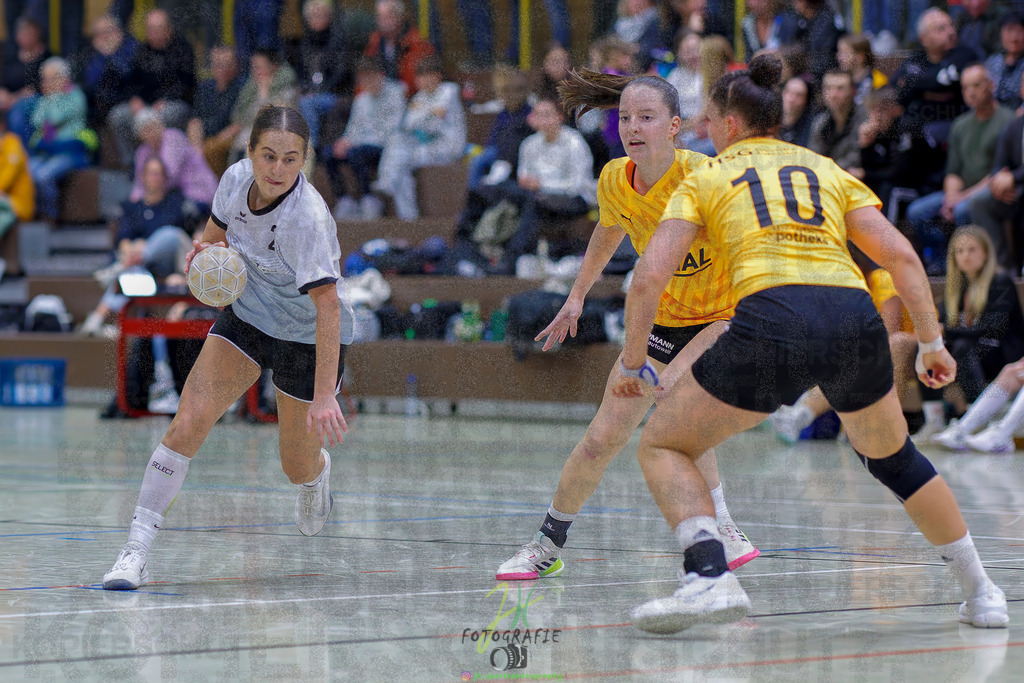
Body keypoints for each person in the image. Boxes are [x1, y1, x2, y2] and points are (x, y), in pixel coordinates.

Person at [611, 53, 1007, 634]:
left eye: (707, 120)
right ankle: (983, 592)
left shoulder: (706, 176)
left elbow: (648, 277)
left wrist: (632, 360)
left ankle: (708, 577)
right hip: (854, 316)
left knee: (664, 444)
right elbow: (899, 255)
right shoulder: (823, 166)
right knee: (895, 461)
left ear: (728, 124)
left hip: (773, 315)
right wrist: (930, 343)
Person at [494, 69, 758, 582]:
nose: (633, 127)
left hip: (725, 320)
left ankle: (723, 527)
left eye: (647, 117)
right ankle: (546, 545)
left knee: (680, 420)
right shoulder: (616, 176)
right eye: (626, 118)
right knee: (600, 439)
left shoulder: (705, 177)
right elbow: (608, 231)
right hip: (662, 320)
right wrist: (575, 296)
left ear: (675, 126)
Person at [102, 105, 356, 590]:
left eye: (290, 159)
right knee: (187, 422)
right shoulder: (235, 180)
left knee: (294, 464)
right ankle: (135, 551)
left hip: (306, 335)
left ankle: (316, 473)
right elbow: (213, 241)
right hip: (248, 315)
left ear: (304, 161)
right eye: (268, 156)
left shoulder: (308, 220)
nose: (277, 169)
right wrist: (205, 259)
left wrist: (326, 396)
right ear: (250, 153)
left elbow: (329, 309)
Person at [922, 226, 1024, 439]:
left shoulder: (1000, 281)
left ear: (985, 253)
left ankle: (974, 416)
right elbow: (942, 323)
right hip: (970, 352)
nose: (965, 256)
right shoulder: (956, 288)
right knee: (926, 347)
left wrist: (947, 331)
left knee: (961, 346)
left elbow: (992, 328)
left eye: (971, 250)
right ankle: (934, 419)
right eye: (959, 251)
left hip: (1001, 353)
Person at [371, 55, 465, 221]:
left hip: (448, 147)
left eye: (428, 75)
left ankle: (388, 183)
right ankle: (407, 215)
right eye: (420, 76)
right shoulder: (419, 97)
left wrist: (423, 113)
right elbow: (408, 125)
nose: (424, 81)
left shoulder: (449, 90)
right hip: (427, 145)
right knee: (396, 142)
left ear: (438, 76)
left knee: (401, 161)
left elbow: (436, 118)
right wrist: (427, 113)